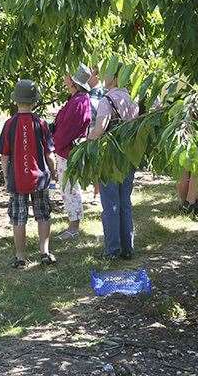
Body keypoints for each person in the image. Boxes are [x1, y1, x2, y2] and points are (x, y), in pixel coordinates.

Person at [0, 80, 57, 268]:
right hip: (39, 179)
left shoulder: (9, 124)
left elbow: (5, 157)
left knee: (18, 217)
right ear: (34, 102)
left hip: (17, 180)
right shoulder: (41, 123)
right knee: (43, 215)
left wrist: (7, 178)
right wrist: (53, 172)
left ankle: (21, 256)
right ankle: (45, 251)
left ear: (16, 101)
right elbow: (49, 154)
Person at [88, 64, 139, 259]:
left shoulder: (107, 100)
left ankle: (112, 250)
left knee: (110, 204)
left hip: (109, 158)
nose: (104, 76)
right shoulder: (132, 98)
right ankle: (128, 248)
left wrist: (87, 141)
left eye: (108, 73)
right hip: (128, 156)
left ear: (116, 77)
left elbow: (100, 129)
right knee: (125, 202)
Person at [52, 64, 92, 240]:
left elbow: (66, 130)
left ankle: (74, 228)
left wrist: (54, 142)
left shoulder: (78, 102)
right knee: (68, 187)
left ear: (73, 81)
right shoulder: (77, 99)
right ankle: (73, 223)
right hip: (68, 150)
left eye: (67, 75)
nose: (64, 78)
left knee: (70, 188)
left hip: (68, 151)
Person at [87, 66, 106, 201]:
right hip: (94, 130)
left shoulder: (100, 92)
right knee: (95, 163)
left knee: (98, 163)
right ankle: (96, 190)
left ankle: (98, 191)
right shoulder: (91, 92)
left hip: (98, 130)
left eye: (91, 72)